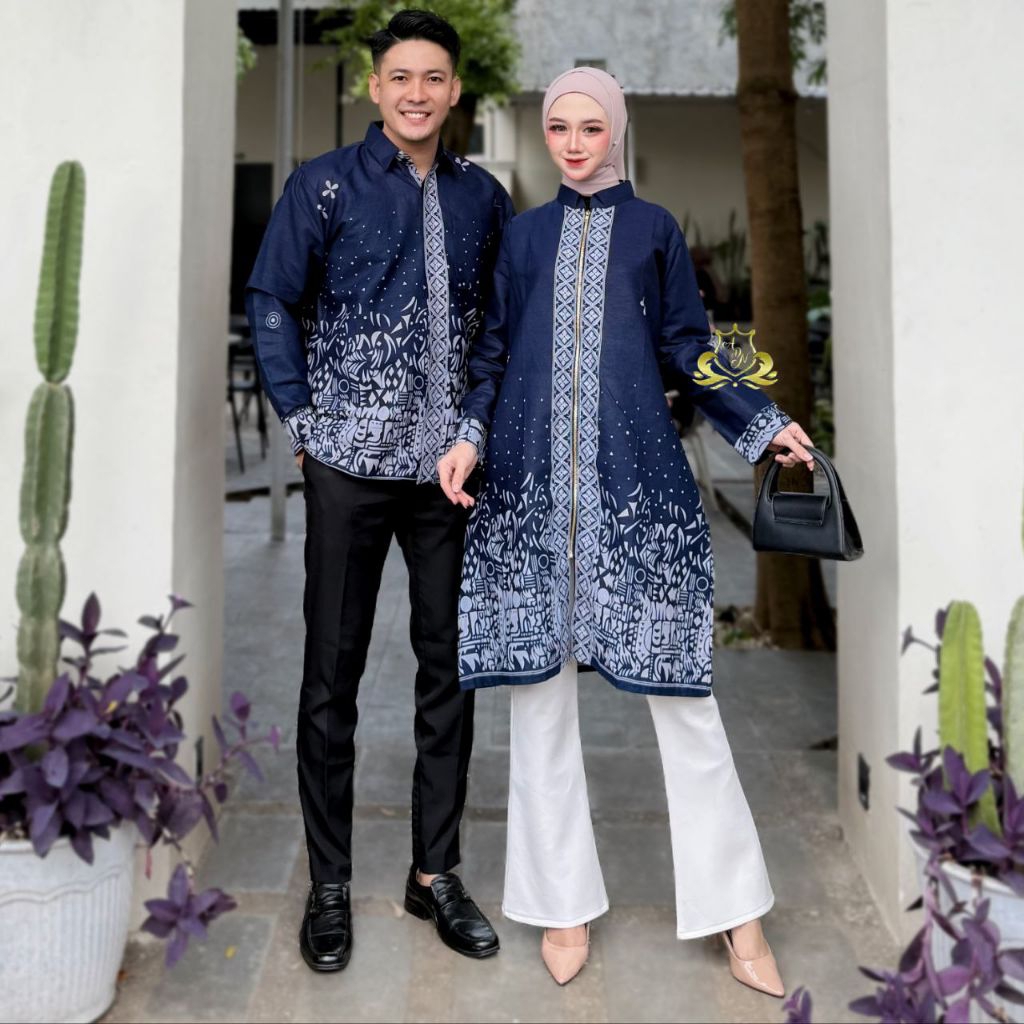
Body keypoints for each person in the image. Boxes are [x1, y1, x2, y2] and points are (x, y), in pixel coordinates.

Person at [437, 67, 814, 995]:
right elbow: (491, 354)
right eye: (559, 127)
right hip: (529, 500)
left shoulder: (654, 232)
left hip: (637, 500)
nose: (573, 144)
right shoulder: (524, 237)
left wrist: (763, 421)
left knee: (687, 707)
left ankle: (738, 912)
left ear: (617, 131)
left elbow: (689, 346)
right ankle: (560, 902)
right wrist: (469, 435)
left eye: (590, 127)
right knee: (539, 708)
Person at [246, 9, 514, 974]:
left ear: (454, 90)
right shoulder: (322, 186)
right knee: (333, 676)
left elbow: (496, 328)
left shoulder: (485, 197)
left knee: (449, 674)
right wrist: (304, 420)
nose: (416, 93)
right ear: (375, 86)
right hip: (348, 469)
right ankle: (329, 882)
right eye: (400, 76)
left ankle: (434, 873)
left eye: (433, 77)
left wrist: (474, 429)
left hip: (446, 475)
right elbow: (271, 297)